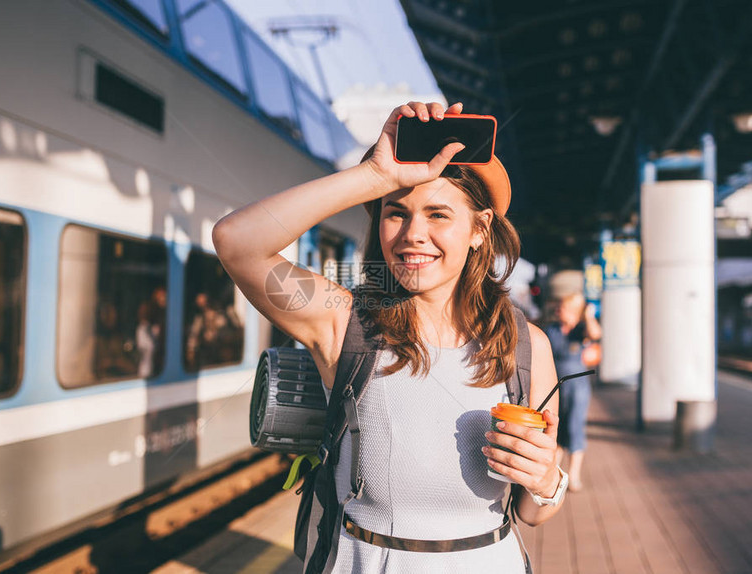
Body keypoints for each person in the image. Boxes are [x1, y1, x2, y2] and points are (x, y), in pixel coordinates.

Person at [213, 101, 564, 573]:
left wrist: (546, 480)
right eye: (395, 214)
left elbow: (532, 513)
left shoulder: (527, 347)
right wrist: (377, 177)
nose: (412, 235)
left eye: (438, 214)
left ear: (480, 230)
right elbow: (237, 241)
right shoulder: (345, 321)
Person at [544, 292, 602, 492]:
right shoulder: (551, 330)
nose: (560, 311)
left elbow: (596, 334)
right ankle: (556, 474)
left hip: (577, 386)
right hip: (556, 385)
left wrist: (588, 315)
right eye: (559, 308)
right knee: (556, 428)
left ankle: (574, 476)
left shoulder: (580, 329)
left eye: (564, 308)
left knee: (575, 427)